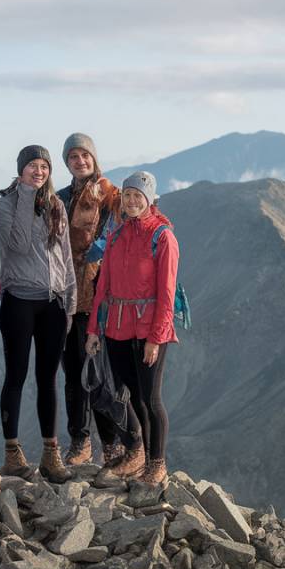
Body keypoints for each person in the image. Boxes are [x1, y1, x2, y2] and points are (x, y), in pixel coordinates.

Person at [86, 171, 180, 487]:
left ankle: (157, 464)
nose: (131, 200)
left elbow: (167, 293)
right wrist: (93, 331)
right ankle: (139, 457)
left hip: (149, 329)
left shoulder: (162, 236)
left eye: (137, 195)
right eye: (127, 195)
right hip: (117, 328)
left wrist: (156, 338)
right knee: (132, 397)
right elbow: (103, 288)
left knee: (151, 399)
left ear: (149, 199)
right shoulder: (115, 236)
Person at [0, 145, 77, 484]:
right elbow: (19, 244)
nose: (38, 171)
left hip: (53, 303)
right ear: (20, 170)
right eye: (32, 166)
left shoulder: (56, 205)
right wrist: (26, 195)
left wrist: (69, 303)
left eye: (43, 166)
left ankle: (50, 452)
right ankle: (12, 453)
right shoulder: (4, 205)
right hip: (19, 300)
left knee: (48, 379)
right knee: (15, 375)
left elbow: (66, 256)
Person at [55, 132, 128, 467]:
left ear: (94, 158)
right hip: (66, 294)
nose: (80, 161)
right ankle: (80, 441)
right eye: (73, 157)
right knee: (72, 372)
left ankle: (112, 443)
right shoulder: (60, 198)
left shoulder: (110, 195)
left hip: (100, 294)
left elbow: (130, 222)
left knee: (99, 372)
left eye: (85, 155)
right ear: (67, 162)